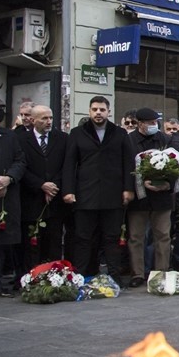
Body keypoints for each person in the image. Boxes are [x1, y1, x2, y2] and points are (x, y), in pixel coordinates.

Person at [62, 96, 134, 282]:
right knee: (84, 238)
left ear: (108, 111)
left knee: (112, 238)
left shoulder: (119, 133)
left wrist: (128, 188)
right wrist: (68, 190)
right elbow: (69, 164)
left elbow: (128, 163)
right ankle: (82, 276)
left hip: (113, 195)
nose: (98, 113)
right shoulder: (78, 133)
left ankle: (114, 277)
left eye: (102, 109)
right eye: (94, 109)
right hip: (86, 195)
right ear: (89, 111)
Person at [125, 107, 174, 287]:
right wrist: (138, 183)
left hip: (162, 197)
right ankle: (137, 273)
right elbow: (125, 167)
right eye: (150, 123)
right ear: (140, 124)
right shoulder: (129, 141)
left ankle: (162, 272)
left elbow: (176, 163)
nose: (154, 125)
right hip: (139, 198)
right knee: (136, 236)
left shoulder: (165, 139)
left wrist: (168, 182)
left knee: (162, 235)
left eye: (156, 122)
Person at [16, 105, 67, 271]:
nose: (49, 122)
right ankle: (30, 277)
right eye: (44, 118)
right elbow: (21, 167)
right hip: (32, 200)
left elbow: (66, 166)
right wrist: (41, 185)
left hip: (55, 200)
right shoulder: (21, 140)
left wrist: (53, 187)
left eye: (50, 118)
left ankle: (54, 277)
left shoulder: (62, 138)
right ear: (32, 120)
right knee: (32, 243)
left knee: (54, 242)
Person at [0, 97, 26, 296]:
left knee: (0, 241)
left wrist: (8, 179)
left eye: (0, 109)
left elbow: (20, 161)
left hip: (4, 198)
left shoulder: (8, 135)